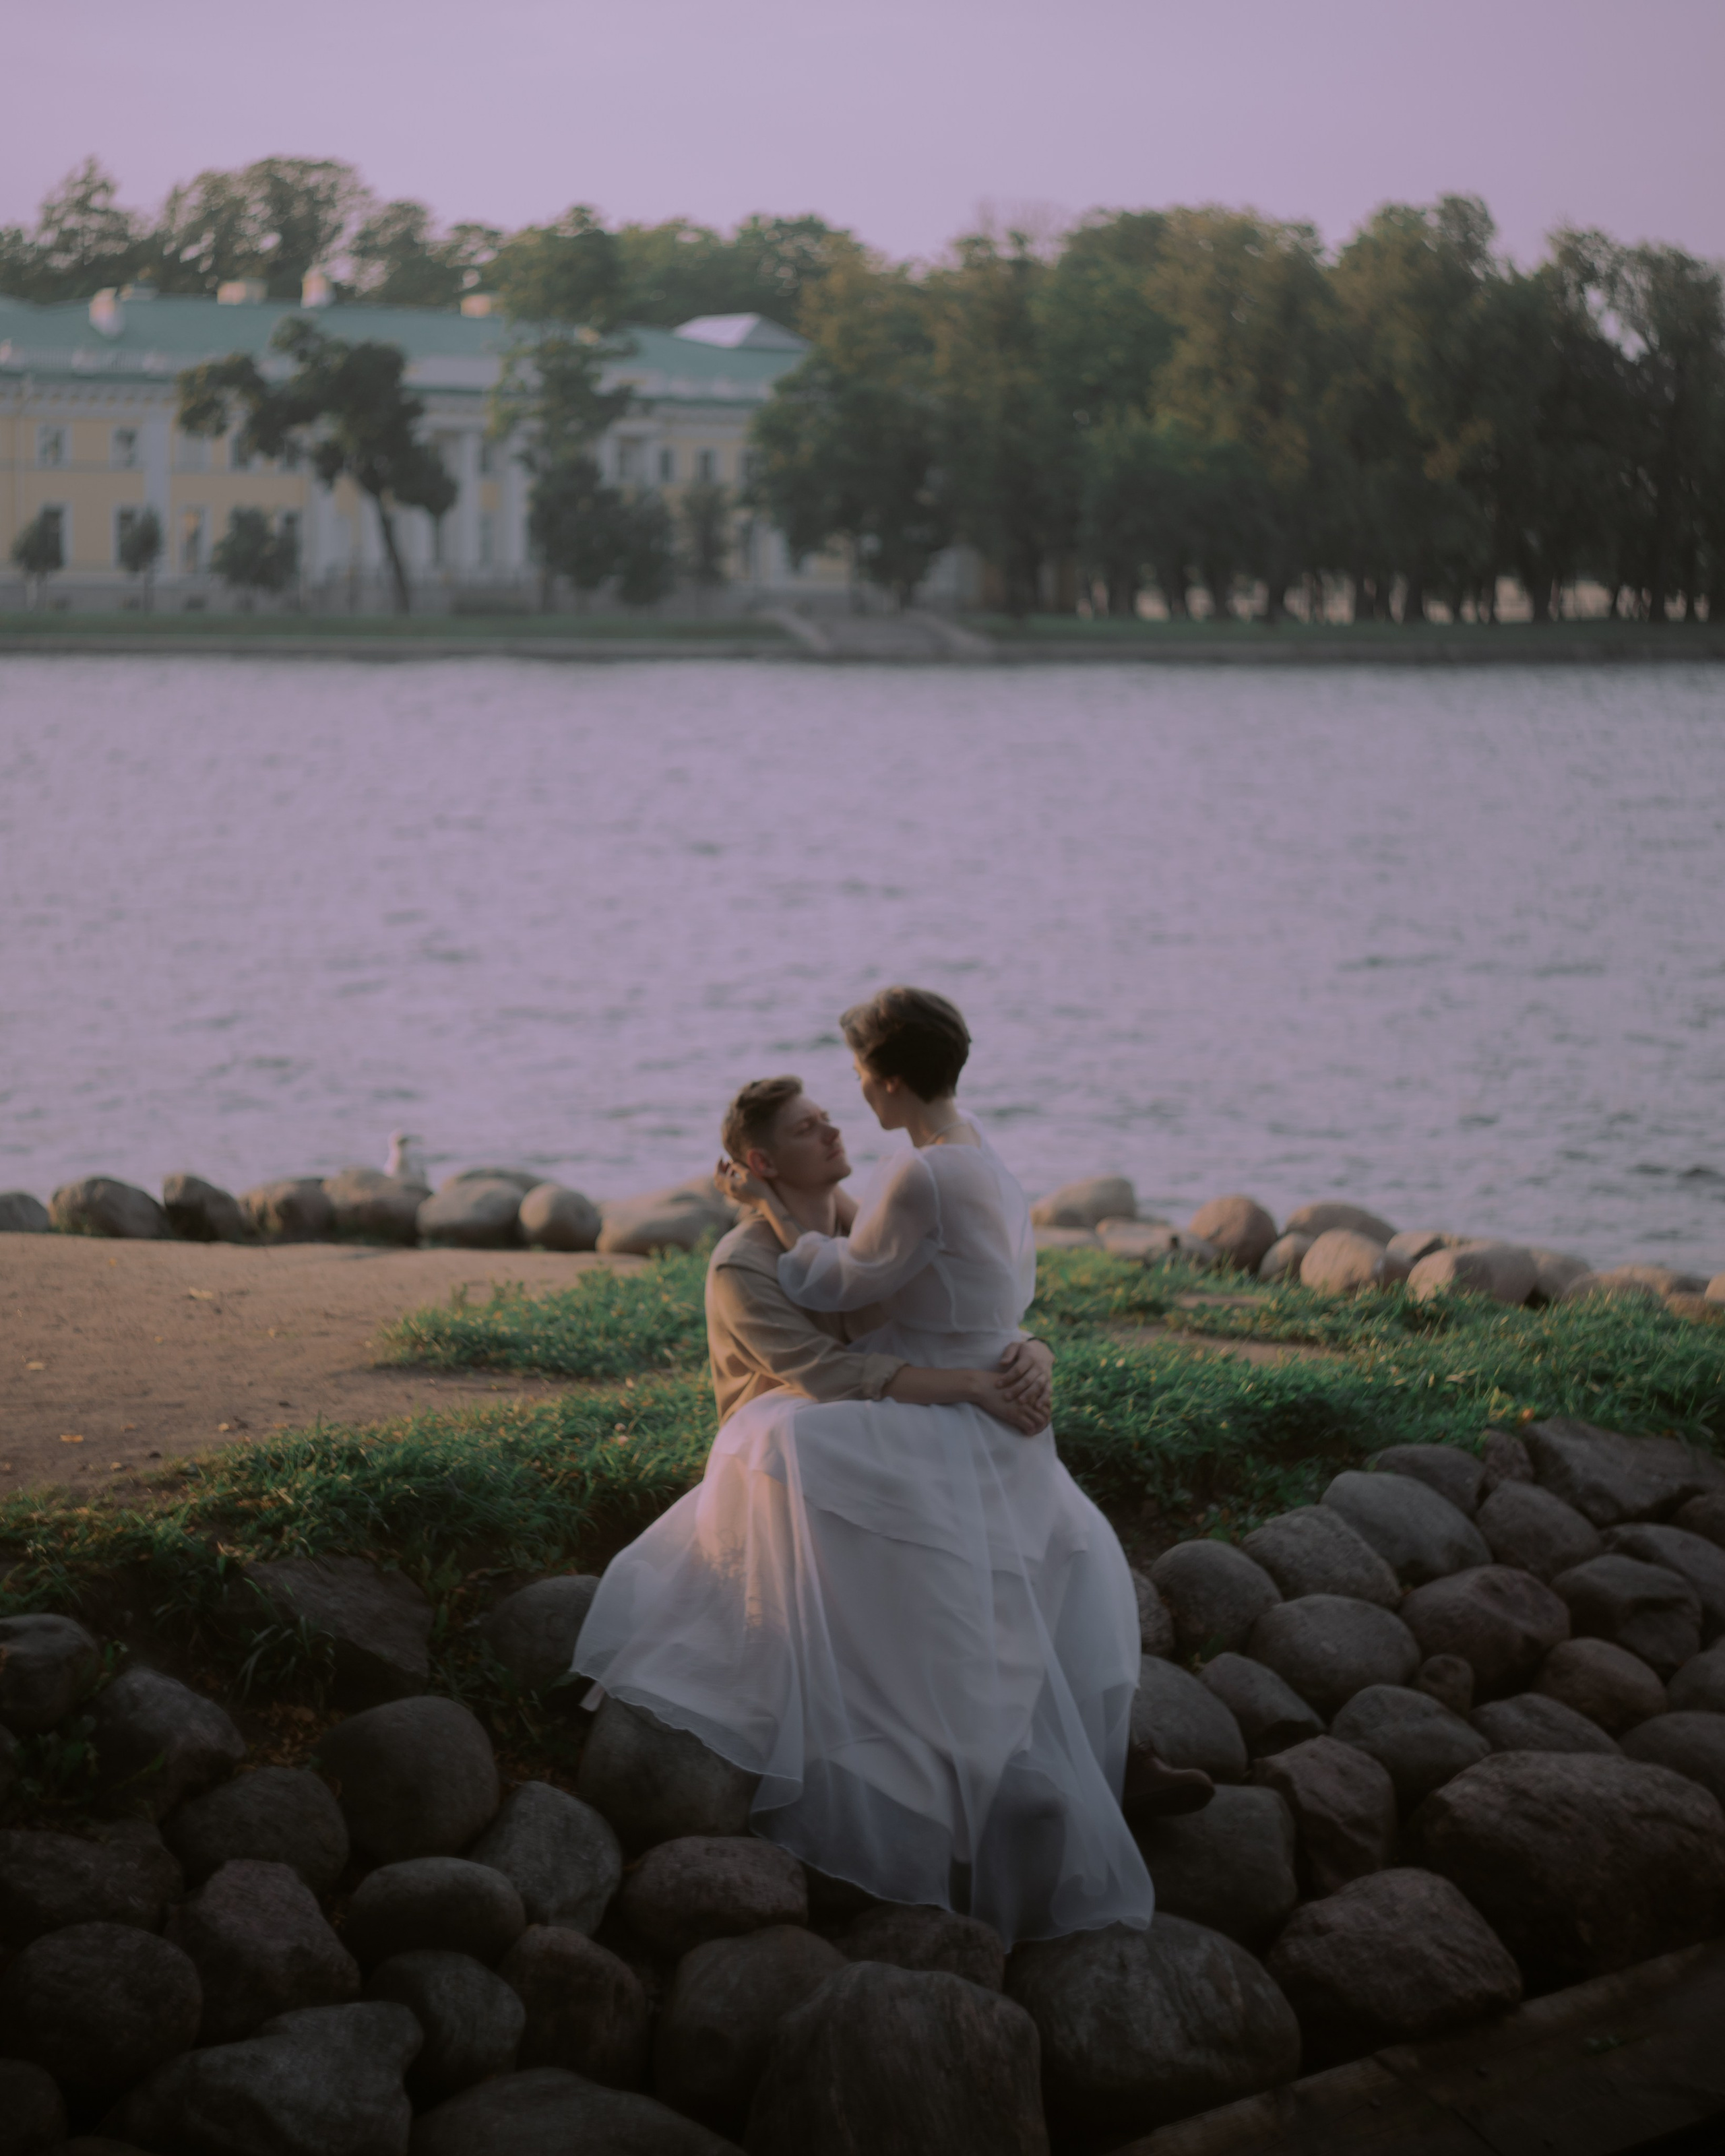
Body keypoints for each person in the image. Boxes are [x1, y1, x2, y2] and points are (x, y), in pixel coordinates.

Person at [575, 988, 1170, 1942]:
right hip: (826, 1416)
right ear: (765, 1163)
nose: (839, 1122)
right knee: (801, 1450)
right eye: (811, 1126)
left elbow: (961, 1295)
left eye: (840, 1104)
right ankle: (985, 1765)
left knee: (1065, 1537)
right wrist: (976, 1383)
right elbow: (825, 1371)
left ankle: (1083, 1756)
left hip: (912, 1411)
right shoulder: (746, 1260)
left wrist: (1023, 1356)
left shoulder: (884, 1200)